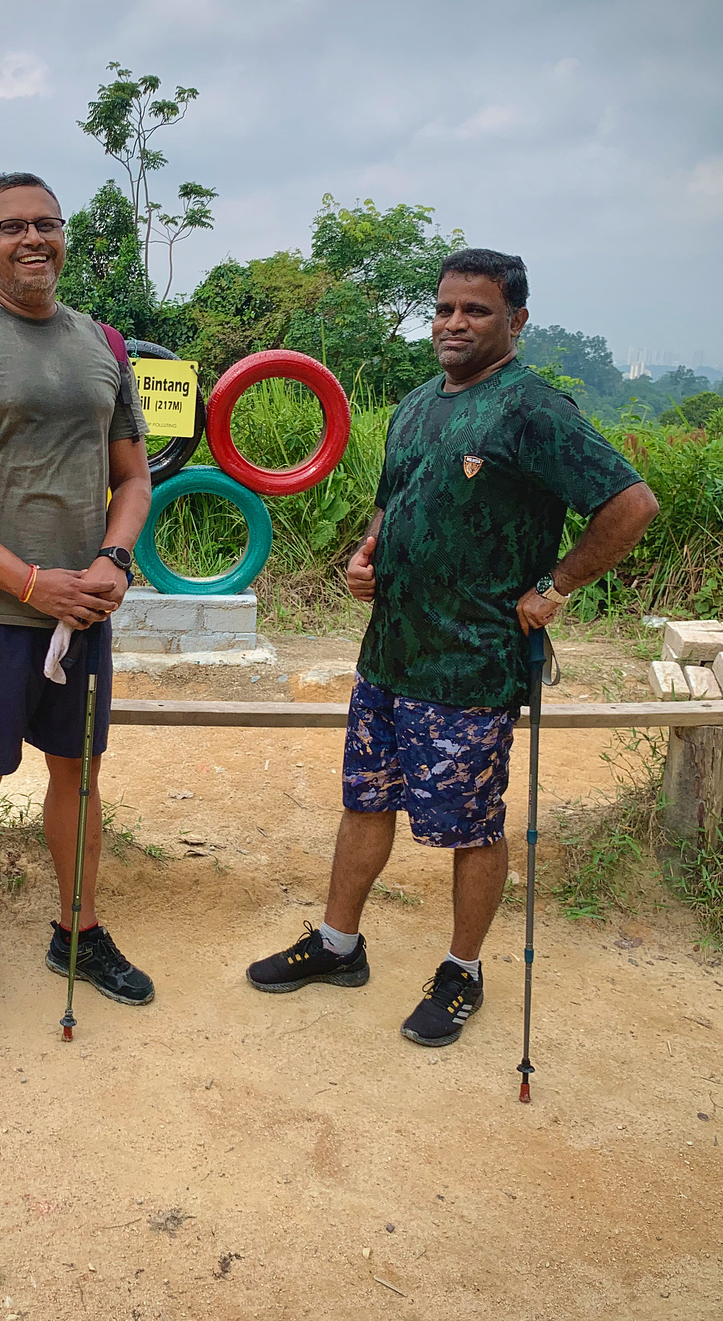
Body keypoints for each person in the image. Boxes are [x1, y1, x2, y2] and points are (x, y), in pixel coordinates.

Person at [246, 248, 658, 1047]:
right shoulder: (414, 405)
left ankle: (461, 970)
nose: (454, 324)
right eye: (443, 309)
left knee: (471, 827)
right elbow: (390, 504)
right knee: (364, 802)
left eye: (474, 310)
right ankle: (338, 944)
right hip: (387, 658)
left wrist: (557, 587)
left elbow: (631, 504)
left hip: (470, 669)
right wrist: (366, 557)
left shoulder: (532, 409)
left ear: (517, 321)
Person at [0, 171, 154, 1037]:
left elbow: (132, 476)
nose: (31, 238)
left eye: (46, 223)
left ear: (65, 237)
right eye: (10, 227)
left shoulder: (106, 347)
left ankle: (77, 931)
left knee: (77, 776)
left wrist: (115, 560)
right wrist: (30, 581)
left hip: (83, 611)